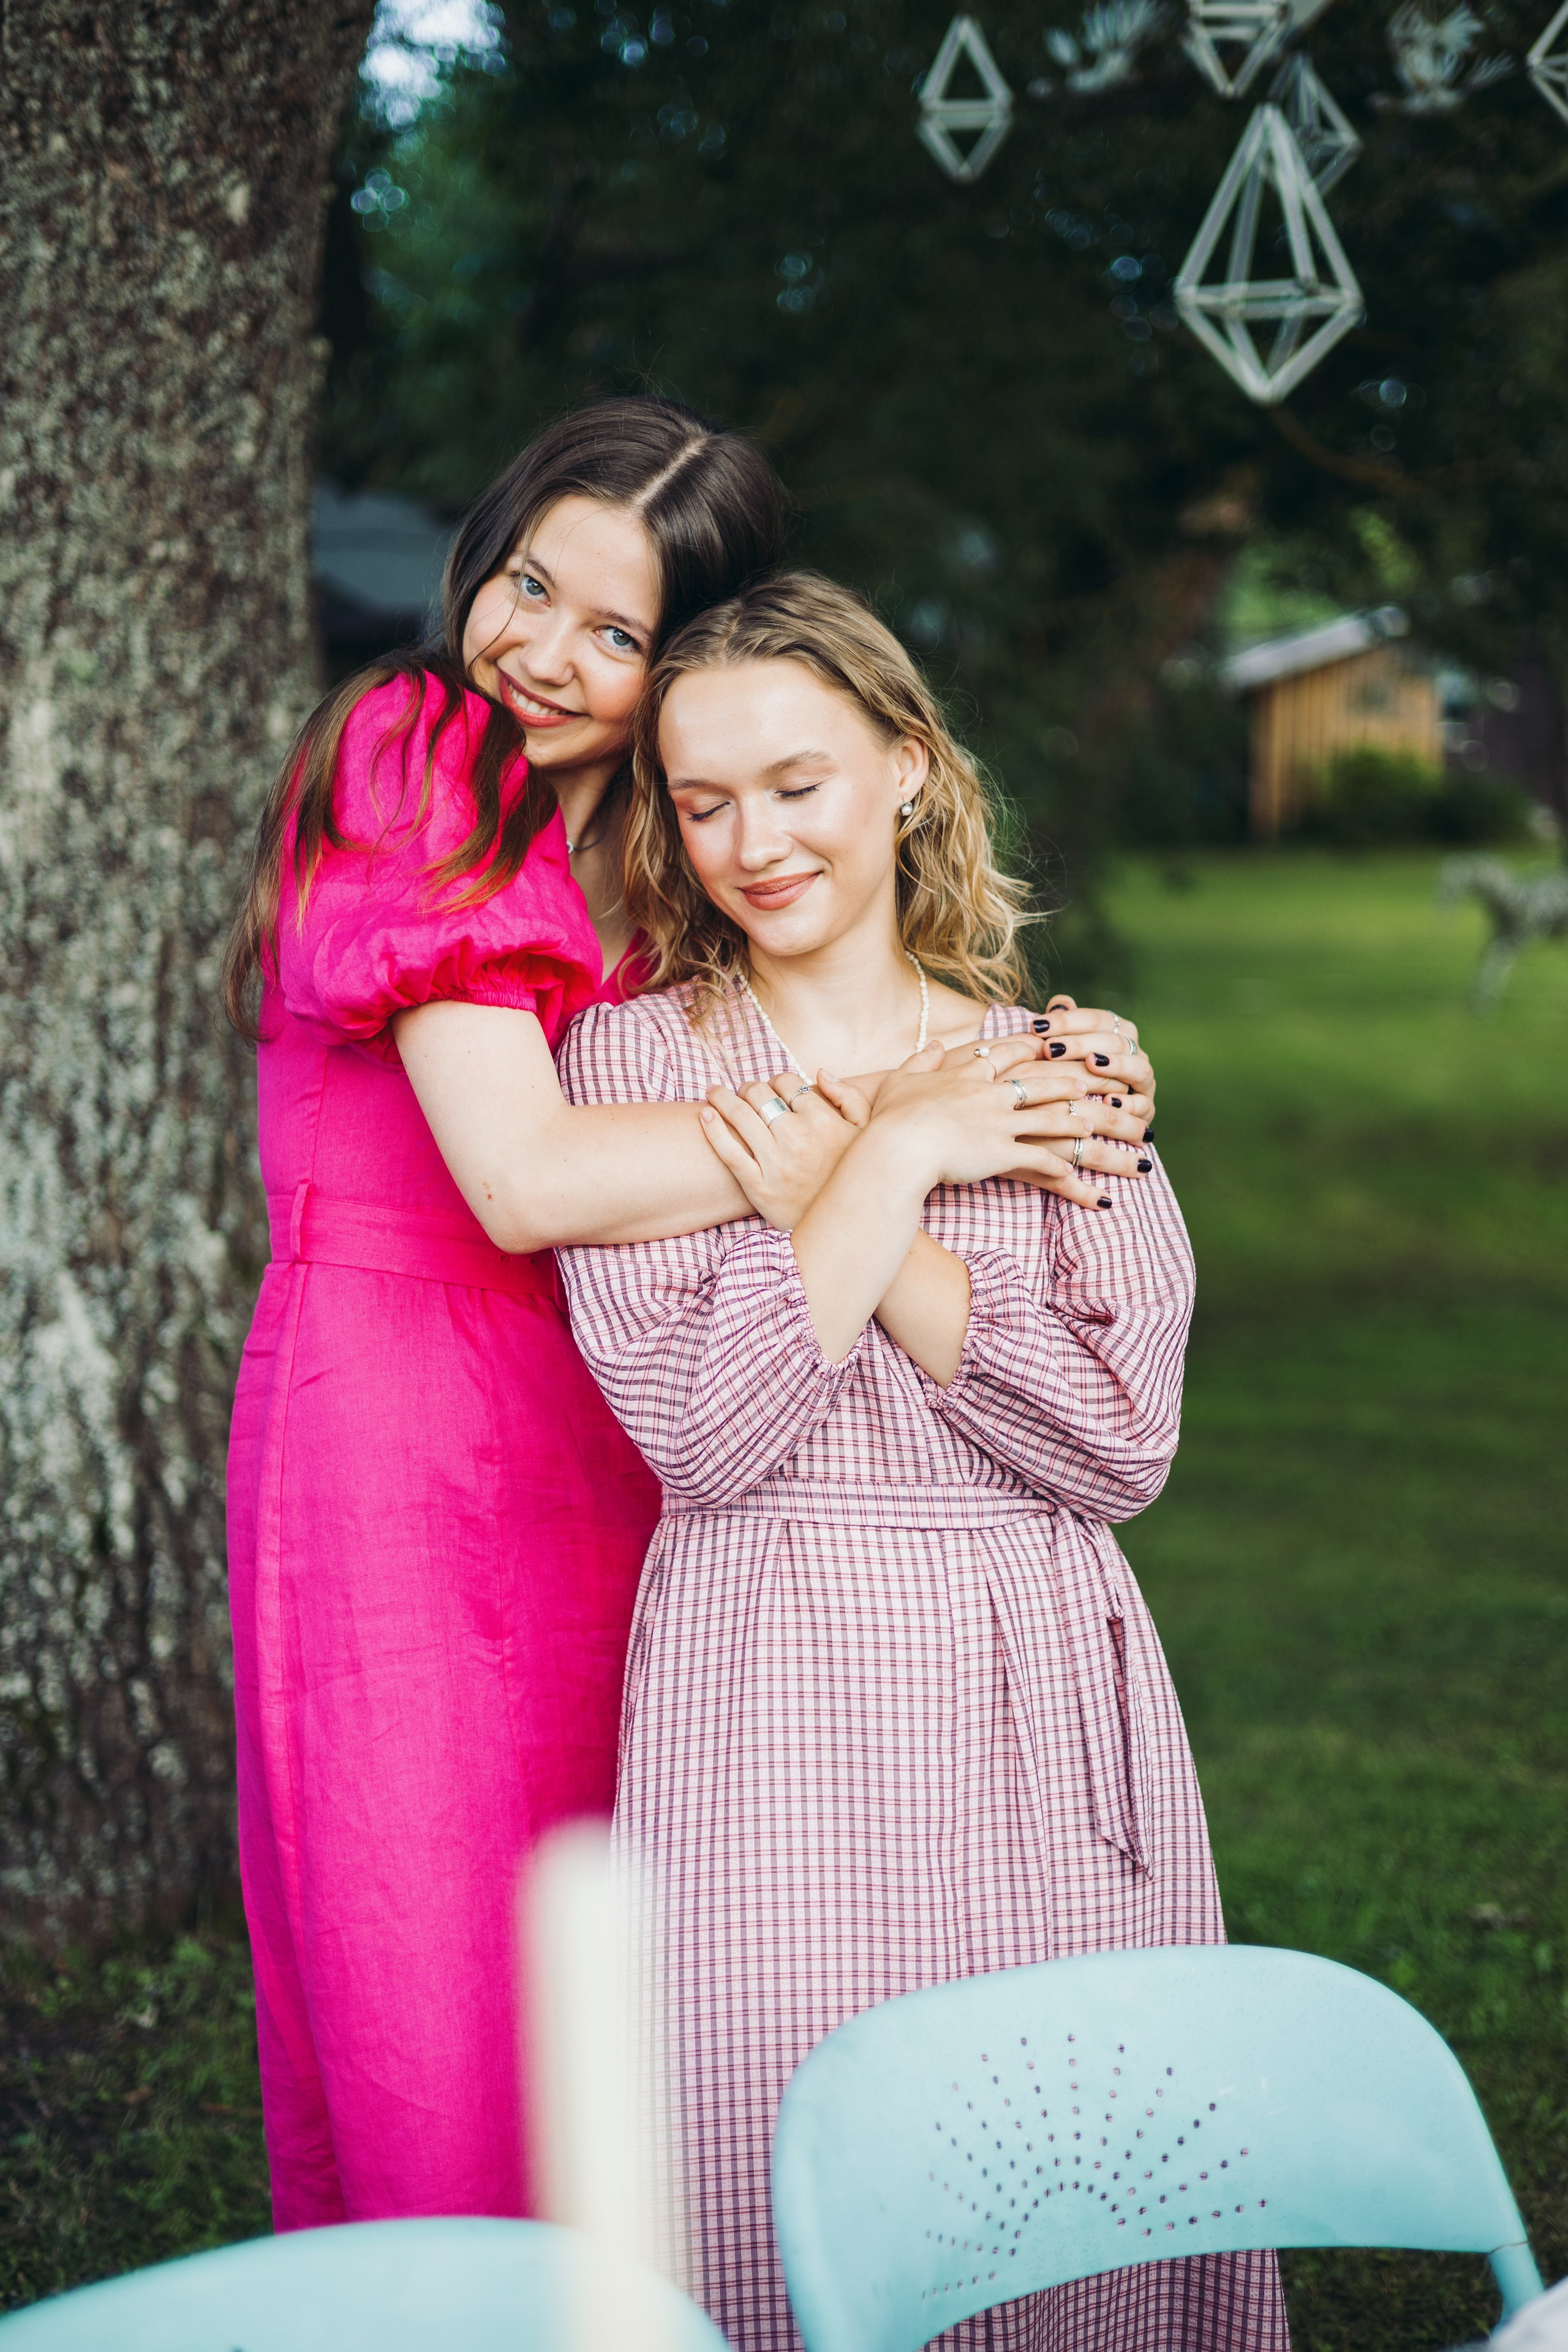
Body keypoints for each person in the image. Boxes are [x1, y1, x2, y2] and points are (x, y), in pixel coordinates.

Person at [221, 399, 1133, 2231]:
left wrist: (1031, 1061)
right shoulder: (418, 754)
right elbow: (527, 1180)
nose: (543, 653)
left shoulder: (662, 836)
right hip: (400, 1435)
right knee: (441, 1989)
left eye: (617, 632)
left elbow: (829, 1029)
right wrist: (907, 1128)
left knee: (627, 1966)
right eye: (530, 584)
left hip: (623, 1427)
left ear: (681, 659)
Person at [555, 573, 1287, 2351]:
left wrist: (870, 1186)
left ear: (905, 769)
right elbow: (712, 1437)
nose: (751, 841)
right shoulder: (633, 1061)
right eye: (703, 797)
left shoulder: (1058, 1075)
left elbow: (1112, 1445)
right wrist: (893, 1159)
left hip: (1034, 1669)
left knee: (1068, 2180)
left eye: (797, 783)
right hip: (767, 1674)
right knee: (774, 2152)